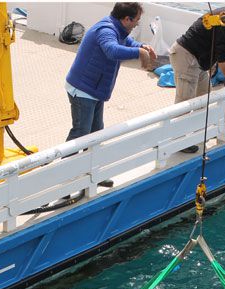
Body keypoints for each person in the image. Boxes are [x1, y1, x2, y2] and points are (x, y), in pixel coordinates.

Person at [64, 2, 156, 188]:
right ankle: (65, 178)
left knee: (96, 133)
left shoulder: (118, 29)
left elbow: (126, 42)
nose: (137, 24)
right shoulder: (106, 30)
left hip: (95, 90)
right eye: (137, 20)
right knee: (81, 133)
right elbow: (112, 50)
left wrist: (142, 46)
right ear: (127, 19)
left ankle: (93, 173)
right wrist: (138, 53)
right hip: (83, 90)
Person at [169, 3, 225, 153]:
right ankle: (177, 141)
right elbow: (222, 58)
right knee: (185, 100)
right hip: (187, 56)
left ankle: (197, 133)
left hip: (199, 61)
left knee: (203, 96)